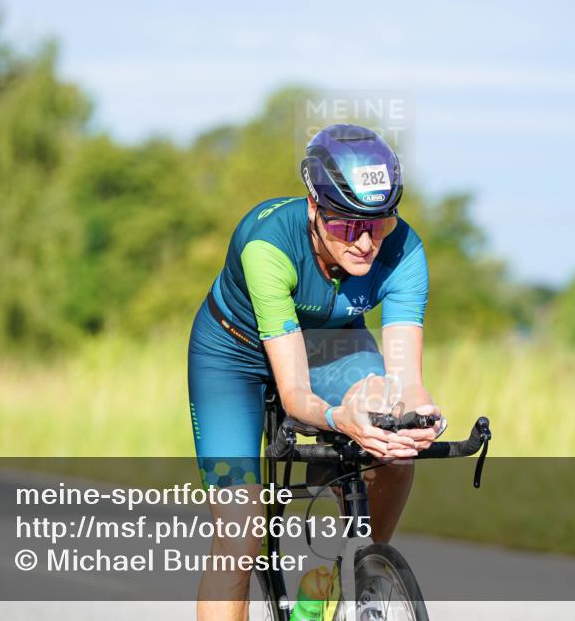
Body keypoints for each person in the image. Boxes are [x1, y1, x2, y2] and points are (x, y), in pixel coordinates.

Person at [187, 123, 444, 620]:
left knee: (392, 435)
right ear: (313, 207)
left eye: (379, 222)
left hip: (331, 343)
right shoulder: (268, 247)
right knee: (241, 530)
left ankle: (356, 576)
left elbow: (405, 379)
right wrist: (339, 418)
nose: (366, 242)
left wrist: (418, 416)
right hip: (232, 357)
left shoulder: (406, 250)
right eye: (348, 225)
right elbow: (296, 397)